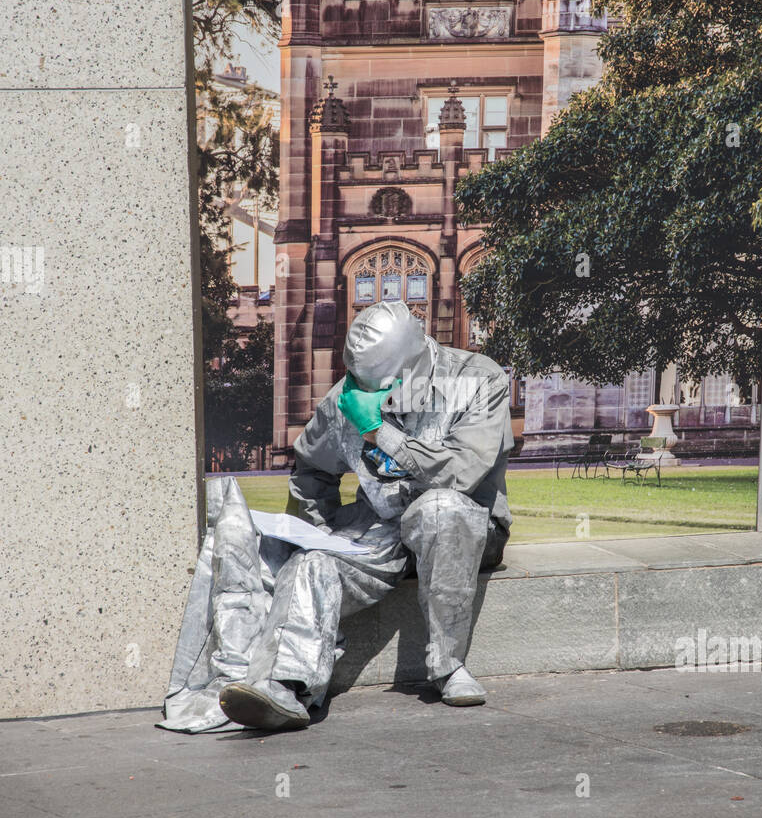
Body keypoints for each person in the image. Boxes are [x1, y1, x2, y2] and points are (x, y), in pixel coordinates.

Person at [159, 300, 513, 734]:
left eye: (383, 383)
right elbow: (311, 470)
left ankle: (448, 666)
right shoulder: (347, 397)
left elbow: (462, 473)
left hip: (468, 524)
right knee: (313, 562)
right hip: (382, 527)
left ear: (416, 359)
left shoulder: (477, 379)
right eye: (362, 382)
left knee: (440, 511)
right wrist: (318, 532)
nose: (369, 392)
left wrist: (378, 432)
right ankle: (283, 686)